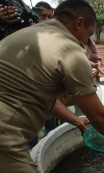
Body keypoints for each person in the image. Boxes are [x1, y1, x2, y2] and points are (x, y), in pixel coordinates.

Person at [0, 0, 104, 173]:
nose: (86, 40)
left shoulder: (30, 34)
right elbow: (98, 116)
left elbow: (44, 97)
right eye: (89, 33)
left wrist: (75, 120)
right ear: (79, 23)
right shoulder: (70, 51)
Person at [27, 1, 55, 149]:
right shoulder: (24, 34)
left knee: (51, 131)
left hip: (49, 94)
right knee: (30, 135)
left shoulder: (53, 37)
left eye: (50, 16)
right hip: (28, 95)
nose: (46, 20)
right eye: (43, 16)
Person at [74, 37, 104, 116]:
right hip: (81, 84)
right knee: (82, 114)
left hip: (95, 82)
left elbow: (99, 59)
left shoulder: (91, 43)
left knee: (97, 111)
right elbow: (78, 59)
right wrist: (93, 67)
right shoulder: (73, 43)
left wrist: (97, 68)